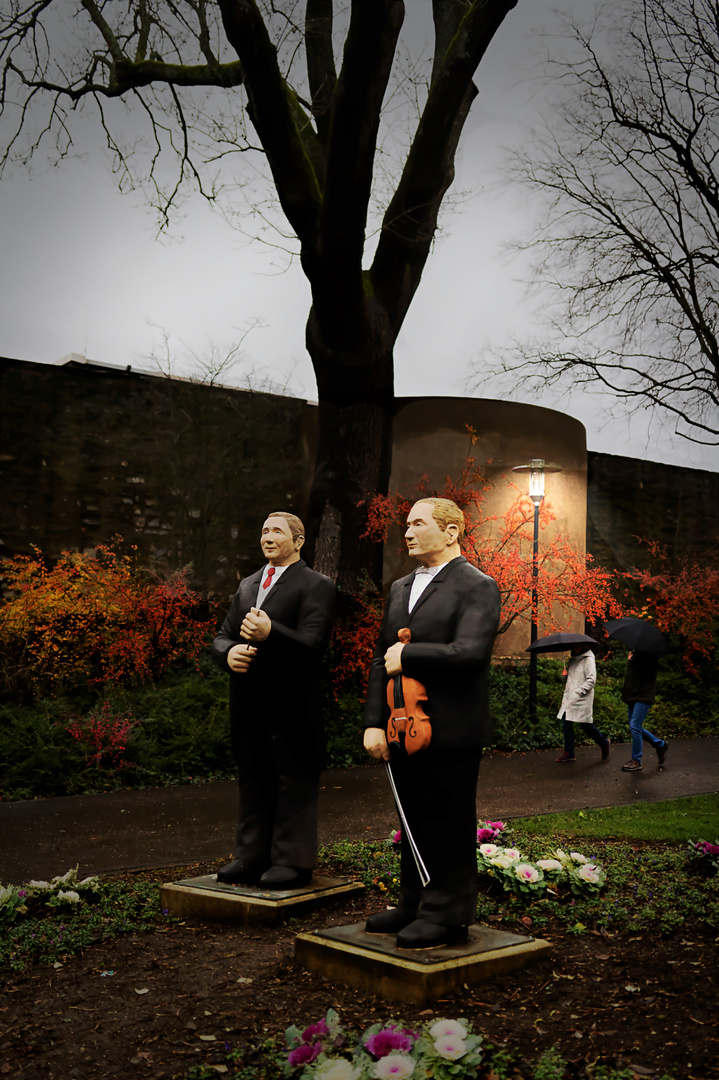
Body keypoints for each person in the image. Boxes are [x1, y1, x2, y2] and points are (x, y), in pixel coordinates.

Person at [363, 497, 501, 950]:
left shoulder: (478, 585)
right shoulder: (401, 586)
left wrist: (411, 654)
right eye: (406, 523)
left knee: (447, 818)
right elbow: (381, 660)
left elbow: (470, 652)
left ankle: (447, 915)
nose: (407, 531)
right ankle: (413, 902)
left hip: (451, 727)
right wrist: (373, 723)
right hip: (402, 724)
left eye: (418, 523)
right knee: (412, 817)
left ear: (450, 531)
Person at [211, 511, 335, 889]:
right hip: (249, 702)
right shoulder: (248, 584)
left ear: (298, 541)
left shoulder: (317, 585)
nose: (268, 537)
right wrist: (227, 653)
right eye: (264, 530)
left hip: (293, 704)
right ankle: (251, 856)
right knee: (253, 778)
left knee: (292, 779)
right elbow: (222, 635)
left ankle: (292, 861)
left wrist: (271, 632)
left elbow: (314, 645)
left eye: (277, 531)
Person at [555, 643, 610, 763]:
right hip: (569, 699)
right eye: (574, 647)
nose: (575, 649)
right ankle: (569, 752)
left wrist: (579, 691)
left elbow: (591, 680)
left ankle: (604, 743)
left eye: (577, 647)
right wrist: (563, 676)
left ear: (583, 647)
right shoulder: (572, 660)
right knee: (566, 723)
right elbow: (567, 680)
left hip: (582, 699)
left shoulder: (588, 660)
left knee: (586, 726)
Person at [620, 649, 668, 772]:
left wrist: (634, 660)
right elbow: (632, 677)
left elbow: (647, 675)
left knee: (635, 725)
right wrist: (631, 661)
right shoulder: (635, 653)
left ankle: (636, 760)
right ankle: (660, 744)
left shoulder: (651, 655)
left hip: (644, 695)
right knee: (634, 727)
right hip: (632, 694)